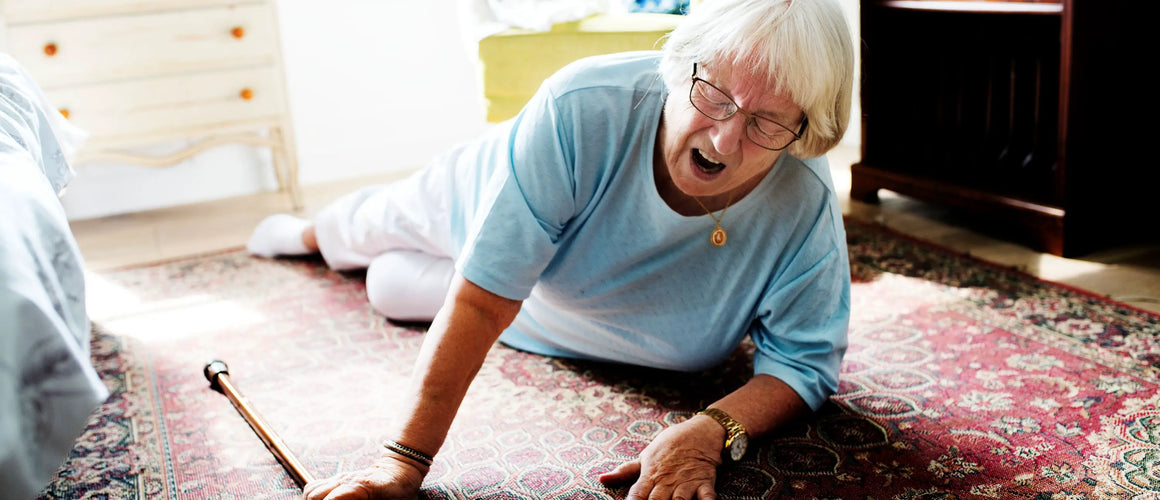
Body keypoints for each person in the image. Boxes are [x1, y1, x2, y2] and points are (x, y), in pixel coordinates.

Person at [246, 0, 854, 497]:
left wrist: (709, 430)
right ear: (679, 67)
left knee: (391, 289)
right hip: (479, 200)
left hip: (554, 301)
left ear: (805, 128)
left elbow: (804, 364)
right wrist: (400, 464)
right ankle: (309, 232)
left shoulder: (805, 199)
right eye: (714, 95)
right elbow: (481, 305)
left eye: (766, 122)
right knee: (360, 230)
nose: (724, 138)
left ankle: (408, 272)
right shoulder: (581, 108)